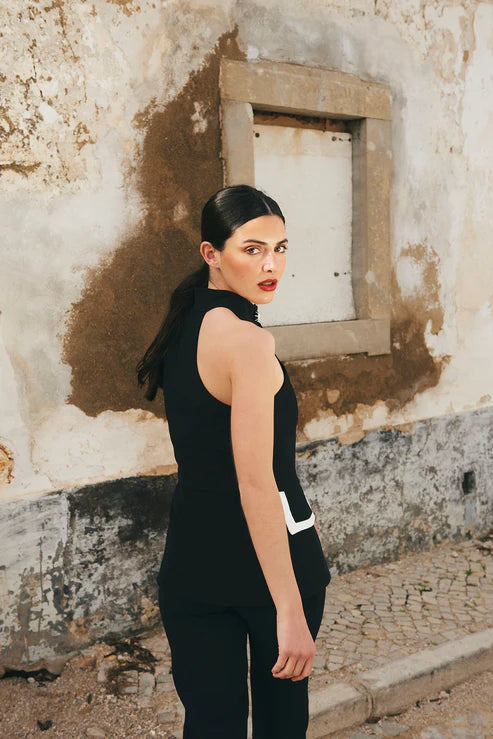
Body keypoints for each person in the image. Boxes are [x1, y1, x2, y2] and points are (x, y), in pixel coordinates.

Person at [136, 184, 331, 738]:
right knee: (280, 725)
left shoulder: (182, 326)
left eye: (281, 248)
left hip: (193, 564)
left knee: (210, 726)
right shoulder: (247, 342)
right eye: (252, 249)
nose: (272, 265)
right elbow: (255, 481)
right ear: (211, 253)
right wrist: (289, 608)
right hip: (269, 570)